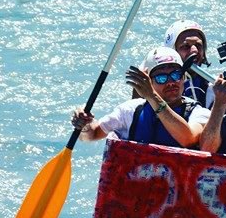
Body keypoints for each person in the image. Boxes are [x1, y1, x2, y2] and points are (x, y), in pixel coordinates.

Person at [70, 46, 210, 148]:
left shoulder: (199, 113)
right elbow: (92, 135)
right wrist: (84, 125)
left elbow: (189, 139)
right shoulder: (131, 111)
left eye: (176, 75)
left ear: (184, 77)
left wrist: (152, 97)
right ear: (149, 81)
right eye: (161, 78)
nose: (171, 82)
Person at [163, 19, 211, 106]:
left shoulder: (213, 88)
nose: (194, 51)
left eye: (198, 45)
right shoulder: (158, 87)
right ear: (172, 52)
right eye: (186, 46)